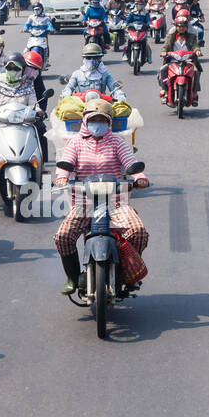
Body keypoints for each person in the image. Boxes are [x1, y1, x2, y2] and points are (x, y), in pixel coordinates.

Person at [52, 98, 149, 295]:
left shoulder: (117, 142)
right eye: (94, 119)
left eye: (102, 120)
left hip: (115, 202)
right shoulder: (75, 143)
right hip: (83, 203)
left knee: (138, 231)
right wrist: (62, 178)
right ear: (86, 120)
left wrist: (139, 177)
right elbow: (65, 164)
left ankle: (129, 271)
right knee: (63, 236)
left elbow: (130, 162)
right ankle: (72, 277)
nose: (98, 124)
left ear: (109, 122)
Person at [0, 52, 47, 171]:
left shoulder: (28, 85)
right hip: (1, 120)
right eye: (9, 68)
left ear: (22, 69)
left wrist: (39, 111)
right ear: (5, 68)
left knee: (41, 129)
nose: (13, 70)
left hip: (24, 120)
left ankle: (42, 164)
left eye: (16, 68)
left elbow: (33, 104)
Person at [159, 10, 202, 101]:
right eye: (179, 26)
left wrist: (197, 51)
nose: (181, 28)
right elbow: (166, 45)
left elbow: (195, 46)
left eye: (183, 26)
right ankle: (165, 90)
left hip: (188, 60)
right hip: (173, 60)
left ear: (186, 27)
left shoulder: (191, 36)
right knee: (163, 70)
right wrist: (164, 52)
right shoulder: (171, 35)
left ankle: (194, 92)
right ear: (176, 26)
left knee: (196, 71)